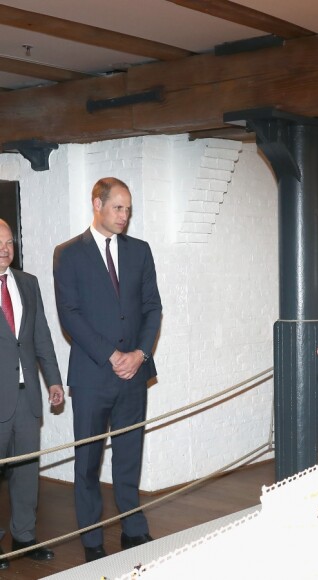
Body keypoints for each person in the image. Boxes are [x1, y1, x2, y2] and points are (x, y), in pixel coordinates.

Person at [53, 178, 162, 562]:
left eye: (129, 209)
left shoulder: (141, 251)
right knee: (88, 462)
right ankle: (92, 539)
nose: (125, 216)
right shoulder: (67, 254)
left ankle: (134, 529)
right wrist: (111, 355)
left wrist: (139, 354)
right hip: (92, 376)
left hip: (135, 375)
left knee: (129, 456)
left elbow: (153, 308)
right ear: (97, 204)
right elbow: (71, 315)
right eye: (118, 207)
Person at [0, 219, 64, 570]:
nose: (5, 249)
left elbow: (41, 337)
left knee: (26, 471)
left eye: (9, 242)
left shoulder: (28, 283)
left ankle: (24, 538)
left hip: (28, 398)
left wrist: (53, 380)